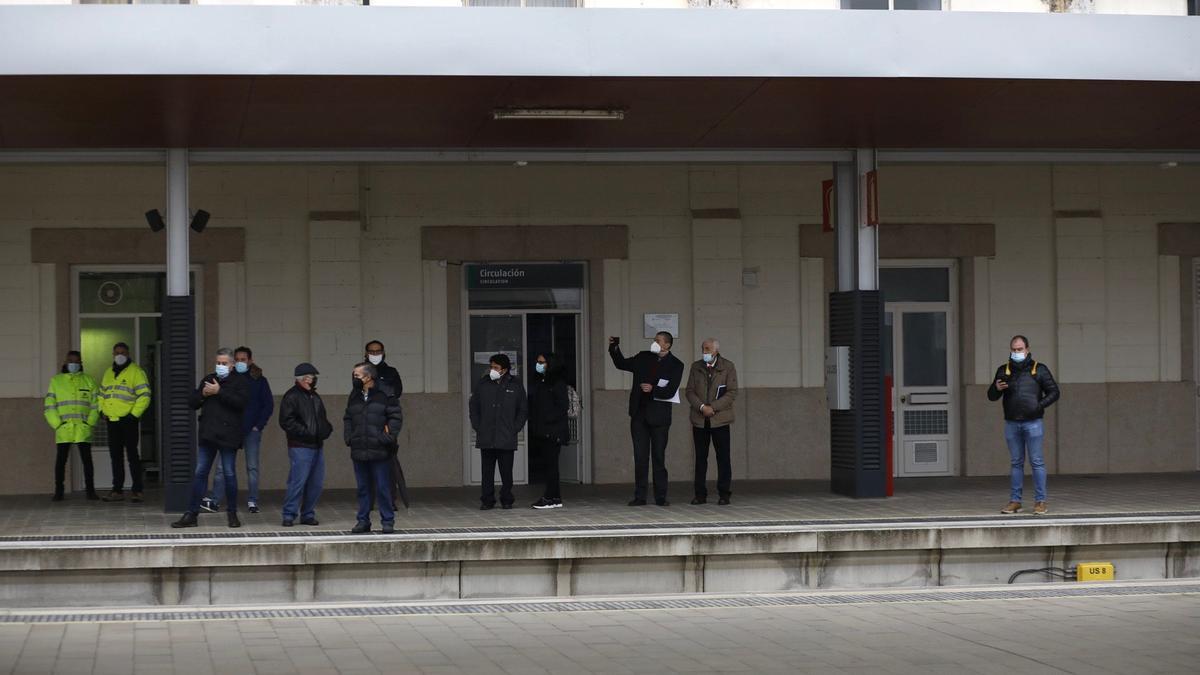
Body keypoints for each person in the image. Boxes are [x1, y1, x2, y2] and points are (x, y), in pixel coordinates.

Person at [173, 348, 250, 529]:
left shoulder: (240, 381)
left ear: (232, 365)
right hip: (208, 435)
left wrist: (219, 391)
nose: (220, 366)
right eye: (218, 363)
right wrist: (203, 394)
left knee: (229, 473)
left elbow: (241, 403)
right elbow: (192, 401)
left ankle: (232, 514)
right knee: (200, 473)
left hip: (228, 436)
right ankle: (191, 514)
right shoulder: (208, 379)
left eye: (224, 363)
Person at [608, 332, 684, 507]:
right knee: (640, 457)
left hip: (660, 417)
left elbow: (671, 390)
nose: (654, 343)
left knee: (658, 457)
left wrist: (653, 389)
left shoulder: (676, 364)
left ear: (667, 345)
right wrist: (614, 348)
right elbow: (622, 364)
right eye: (654, 340)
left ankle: (661, 497)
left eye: (658, 341)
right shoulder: (643, 357)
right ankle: (640, 496)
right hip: (639, 416)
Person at [987, 335, 1060, 516]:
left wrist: (1039, 406)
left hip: (1033, 422)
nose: (1017, 352)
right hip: (1012, 423)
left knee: (1037, 462)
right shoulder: (1003, 370)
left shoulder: (1039, 369)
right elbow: (991, 396)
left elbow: (1054, 392)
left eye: (1020, 349)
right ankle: (1015, 501)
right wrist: (996, 387)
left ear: (1027, 349)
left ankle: (1040, 502)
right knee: (1016, 463)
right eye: (1014, 349)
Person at [203, 346, 273, 514]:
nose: (241, 362)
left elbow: (267, 405)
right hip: (231, 430)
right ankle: (215, 500)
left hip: (251, 430)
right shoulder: (227, 379)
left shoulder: (259, 380)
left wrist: (258, 426)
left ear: (250, 361)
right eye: (238, 359)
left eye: (244, 359)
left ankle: (253, 501)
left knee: (252, 467)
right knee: (222, 467)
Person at [344, 363, 403, 534]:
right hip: (359, 448)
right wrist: (349, 437)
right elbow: (348, 417)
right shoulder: (354, 396)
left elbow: (395, 417)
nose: (354, 379)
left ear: (369, 377)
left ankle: (387, 521)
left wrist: (386, 438)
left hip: (380, 450)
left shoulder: (385, 395)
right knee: (363, 488)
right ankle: (363, 521)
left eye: (357, 375)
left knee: (383, 487)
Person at [469, 353, 528, 511]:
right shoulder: (483, 383)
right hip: (486, 435)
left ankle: (506, 498)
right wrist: (478, 426)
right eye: (491, 367)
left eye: (495, 367)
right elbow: (473, 407)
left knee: (506, 472)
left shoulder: (515, 385)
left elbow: (522, 410)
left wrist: (514, 428)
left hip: (506, 437)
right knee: (487, 473)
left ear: (504, 369)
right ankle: (487, 500)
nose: (492, 370)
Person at [684, 338, 739, 506]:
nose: (704, 352)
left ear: (716, 350)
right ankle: (700, 494)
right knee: (700, 459)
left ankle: (724, 493)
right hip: (700, 420)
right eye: (703, 349)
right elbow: (690, 391)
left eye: (707, 349)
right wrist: (701, 407)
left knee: (723, 458)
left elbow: (732, 392)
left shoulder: (728, 367)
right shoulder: (696, 367)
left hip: (720, 420)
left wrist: (712, 407)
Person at [279, 363, 332, 527]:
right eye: (310, 377)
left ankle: (308, 514)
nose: (313, 379)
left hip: (317, 445)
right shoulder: (291, 396)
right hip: (300, 446)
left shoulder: (315, 397)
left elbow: (322, 418)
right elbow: (286, 421)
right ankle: (289, 514)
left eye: (313, 377)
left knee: (316, 483)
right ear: (302, 379)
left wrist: (326, 429)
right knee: (298, 482)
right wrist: (306, 432)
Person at [44, 350, 101, 501]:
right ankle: (59, 492)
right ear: (65, 362)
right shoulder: (56, 381)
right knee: (61, 461)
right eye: (71, 361)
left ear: (81, 363)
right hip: (64, 429)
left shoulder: (89, 381)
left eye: (76, 362)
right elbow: (50, 405)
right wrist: (57, 424)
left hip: (83, 428)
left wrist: (90, 423)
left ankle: (91, 491)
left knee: (87, 461)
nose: (73, 364)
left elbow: (96, 405)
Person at [98, 342, 151, 503]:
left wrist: (134, 415)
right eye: (116, 353)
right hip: (112, 421)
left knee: (132, 456)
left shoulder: (136, 372)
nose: (119, 355)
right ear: (113, 355)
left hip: (128, 420)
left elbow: (145, 395)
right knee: (116, 456)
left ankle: (137, 490)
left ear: (128, 354)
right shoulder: (108, 372)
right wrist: (102, 411)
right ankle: (117, 490)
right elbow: (101, 394)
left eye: (122, 352)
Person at [362, 339, 404, 512]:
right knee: (367, 462)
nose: (375, 354)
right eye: (371, 352)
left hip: (386, 422)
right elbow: (359, 391)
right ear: (365, 354)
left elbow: (396, 392)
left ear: (384, 352)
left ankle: (390, 500)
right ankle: (369, 500)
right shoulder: (360, 370)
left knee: (389, 463)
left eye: (378, 351)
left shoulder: (391, 372)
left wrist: (376, 388)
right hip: (367, 422)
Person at [528, 352, 570, 510]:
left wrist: (546, 420)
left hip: (553, 432)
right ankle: (555, 497)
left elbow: (562, 407)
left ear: (550, 364)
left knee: (551, 466)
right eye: (538, 361)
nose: (538, 364)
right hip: (544, 430)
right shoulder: (541, 381)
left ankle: (550, 497)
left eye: (542, 362)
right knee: (549, 465)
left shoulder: (557, 383)